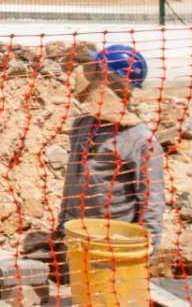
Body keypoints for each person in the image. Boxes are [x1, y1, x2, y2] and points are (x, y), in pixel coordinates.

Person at [51, 44, 165, 275]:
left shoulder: (140, 140)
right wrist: (62, 225)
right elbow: (72, 180)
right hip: (76, 234)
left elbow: (152, 203)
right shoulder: (82, 124)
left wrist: (143, 256)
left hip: (113, 242)